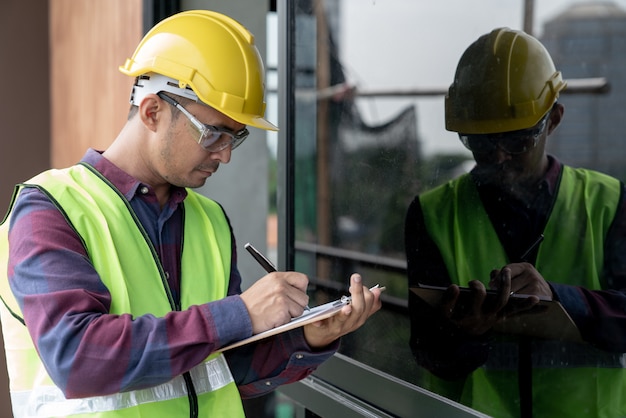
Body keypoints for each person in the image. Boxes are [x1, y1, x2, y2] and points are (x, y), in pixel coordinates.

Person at [0, 10, 383, 418]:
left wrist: (305, 338)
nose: (225, 155)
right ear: (151, 112)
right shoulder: (51, 210)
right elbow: (78, 359)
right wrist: (241, 313)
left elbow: (221, 367)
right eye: (213, 133)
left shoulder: (211, 221)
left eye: (236, 136)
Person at [405, 27, 626, 418]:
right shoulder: (433, 213)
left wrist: (560, 299)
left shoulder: (609, 203)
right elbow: (427, 350)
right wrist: (465, 336)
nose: (501, 157)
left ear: (553, 119)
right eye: (482, 144)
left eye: (518, 141)